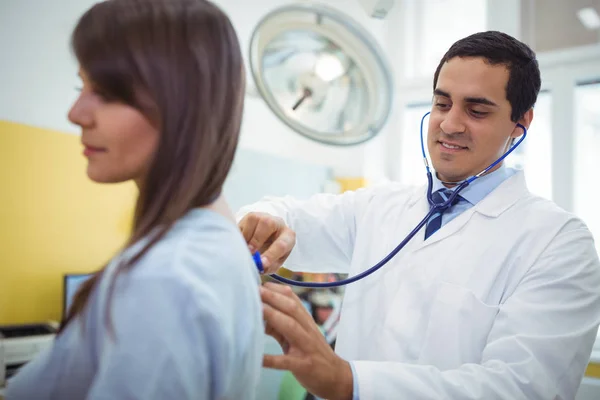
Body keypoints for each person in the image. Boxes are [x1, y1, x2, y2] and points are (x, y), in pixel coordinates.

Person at [237, 31, 600, 400]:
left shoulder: (558, 243)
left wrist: (348, 382)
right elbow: (288, 215)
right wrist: (263, 220)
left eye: (476, 111)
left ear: (521, 122)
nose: (450, 124)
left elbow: (520, 389)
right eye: (442, 104)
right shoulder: (381, 206)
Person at [6, 0, 263, 399]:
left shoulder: (166, 279)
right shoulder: (219, 241)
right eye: (82, 87)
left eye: (106, 92)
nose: (75, 113)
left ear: (182, 104)